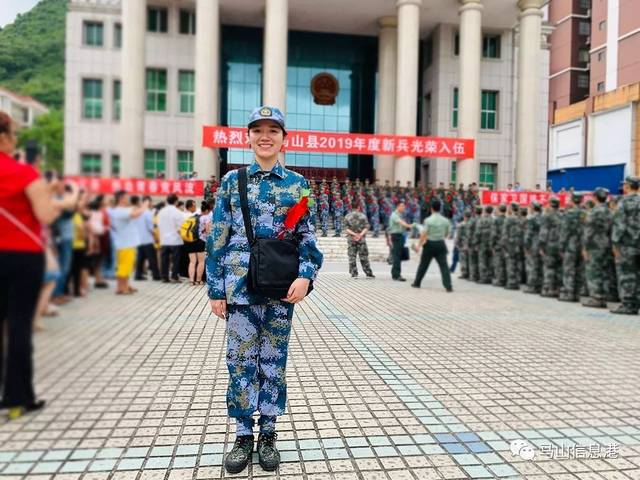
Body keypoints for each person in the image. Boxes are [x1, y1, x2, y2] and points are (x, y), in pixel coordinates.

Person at [206, 106, 323, 474]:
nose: (266, 136)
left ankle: (269, 432)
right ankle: (243, 434)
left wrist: (306, 275)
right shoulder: (232, 182)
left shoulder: (298, 184)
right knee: (240, 363)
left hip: (280, 288)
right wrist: (215, 288)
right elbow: (218, 236)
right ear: (249, 138)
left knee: (273, 362)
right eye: (258, 130)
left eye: (274, 130)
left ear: (284, 139)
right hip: (239, 289)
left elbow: (307, 235)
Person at [0, 111, 78, 419]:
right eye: (13, 135)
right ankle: (18, 397)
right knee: (18, 323)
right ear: (5, 137)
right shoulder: (23, 173)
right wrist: (64, 203)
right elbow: (45, 215)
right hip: (21, 255)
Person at [610, 176, 640, 314]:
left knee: (627, 275)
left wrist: (615, 244)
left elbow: (619, 226)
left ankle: (628, 304)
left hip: (627, 245)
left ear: (627, 186)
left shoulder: (624, 202)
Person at [411, 200, 452, 291]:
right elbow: (447, 234)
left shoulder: (428, 220)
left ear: (431, 209)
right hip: (440, 244)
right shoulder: (445, 221)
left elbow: (424, 234)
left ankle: (417, 283)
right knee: (444, 266)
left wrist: (418, 245)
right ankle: (448, 285)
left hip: (429, 244)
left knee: (423, 265)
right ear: (440, 208)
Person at [582, 188, 613, 308]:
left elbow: (588, 232)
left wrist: (585, 247)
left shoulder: (594, 212)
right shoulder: (609, 211)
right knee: (604, 271)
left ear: (595, 198)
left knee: (593, 272)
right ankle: (604, 297)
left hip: (594, 246)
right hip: (606, 245)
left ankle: (596, 298)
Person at [110, 192, 146, 294]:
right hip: (125, 244)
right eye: (126, 197)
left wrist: (139, 207)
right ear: (121, 198)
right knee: (124, 267)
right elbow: (135, 214)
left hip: (126, 243)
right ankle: (121, 288)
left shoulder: (122, 210)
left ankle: (125, 285)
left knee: (127, 266)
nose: (128, 199)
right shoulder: (119, 211)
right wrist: (144, 206)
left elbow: (133, 210)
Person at [558, 193, 586, 302]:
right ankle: (577, 293)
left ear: (572, 200)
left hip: (571, 245)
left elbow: (565, 232)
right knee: (579, 269)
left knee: (569, 269)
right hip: (582, 245)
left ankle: (568, 293)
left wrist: (561, 246)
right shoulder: (586, 213)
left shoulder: (569, 214)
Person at [157, 194, 186, 283]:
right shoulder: (177, 212)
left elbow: (158, 224)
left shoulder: (161, 212)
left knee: (164, 259)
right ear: (176, 201)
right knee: (175, 260)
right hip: (175, 240)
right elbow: (181, 226)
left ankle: (164, 277)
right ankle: (174, 277)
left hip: (164, 239)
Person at [539, 197, 563, 297]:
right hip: (560, 244)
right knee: (558, 267)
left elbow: (543, 233)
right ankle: (557, 288)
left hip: (550, 244)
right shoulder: (562, 215)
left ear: (550, 204)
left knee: (549, 267)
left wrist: (541, 246)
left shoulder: (547, 216)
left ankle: (549, 289)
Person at [343, 206, 375, 279]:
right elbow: (366, 227)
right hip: (361, 239)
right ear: (358, 208)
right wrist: (360, 235)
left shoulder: (347, 216)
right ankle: (368, 274)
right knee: (364, 256)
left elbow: (346, 229)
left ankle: (354, 274)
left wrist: (354, 235)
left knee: (352, 257)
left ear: (351, 208)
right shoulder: (363, 216)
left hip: (351, 239)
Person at [134, 196, 161, 281]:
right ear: (147, 202)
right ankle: (156, 275)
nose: (152, 203)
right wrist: (156, 237)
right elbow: (150, 227)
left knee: (140, 258)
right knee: (152, 258)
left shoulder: (138, 212)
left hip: (139, 239)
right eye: (151, 202)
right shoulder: (148, 213)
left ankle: (138, 275)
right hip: (148, 239)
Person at [387, 201, 413, 281]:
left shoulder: (399, 215)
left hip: (400, 236)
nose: (403, 208)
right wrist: (409, 226)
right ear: (397, 206)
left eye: (404, 206)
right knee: (397, 256)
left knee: (398, 255)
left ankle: (395, 274)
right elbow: (401, 222)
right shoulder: (394, 215)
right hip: (396, 236)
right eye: (402, 206)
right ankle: (397, 275)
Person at [184, 199, 206, 285]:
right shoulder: (199, 215)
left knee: (192, 261)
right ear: (191, 206)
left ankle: (191, 281)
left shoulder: (184, 215)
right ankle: (198, 280)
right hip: (199, 240)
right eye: (194, 205)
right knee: (201, 261)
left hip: (188, 240)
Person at [523, 201, 543, 294]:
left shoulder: (531, 218)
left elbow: (528, 234)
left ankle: (532, 286)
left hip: (533, 244)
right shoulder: (543, 217)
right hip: (541, 244)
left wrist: (526, 246)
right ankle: (539, 285)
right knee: (539, 265)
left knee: (532, 266)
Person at [502, 202, 524, 290]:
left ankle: (512, 283)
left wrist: (504, 244)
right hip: (519, 244)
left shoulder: (509, 219)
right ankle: (518, 281)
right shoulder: (521, 218)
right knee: (518, 263)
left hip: (511, 244)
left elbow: (505, 233)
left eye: (509, 207)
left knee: (511, 263)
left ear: (511, 208)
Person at [491, 205, 507, 287]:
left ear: (499, 210)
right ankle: (505, 279)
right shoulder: (508, 219)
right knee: (505, 263)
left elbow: (493, 234)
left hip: (498, 244)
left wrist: (492, 245)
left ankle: (500, 280)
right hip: (506, 245)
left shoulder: (496, 220)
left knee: (498, 263)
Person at [455, 209, 472, 279]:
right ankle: (471, 273)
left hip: (463, 244)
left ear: (464, 216)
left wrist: (457, 243)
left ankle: (464, 273)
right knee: (470, 259)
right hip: (470, 244)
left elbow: (458, 236)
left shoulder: (461, 225)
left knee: (463, 259)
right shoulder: (472, 223)